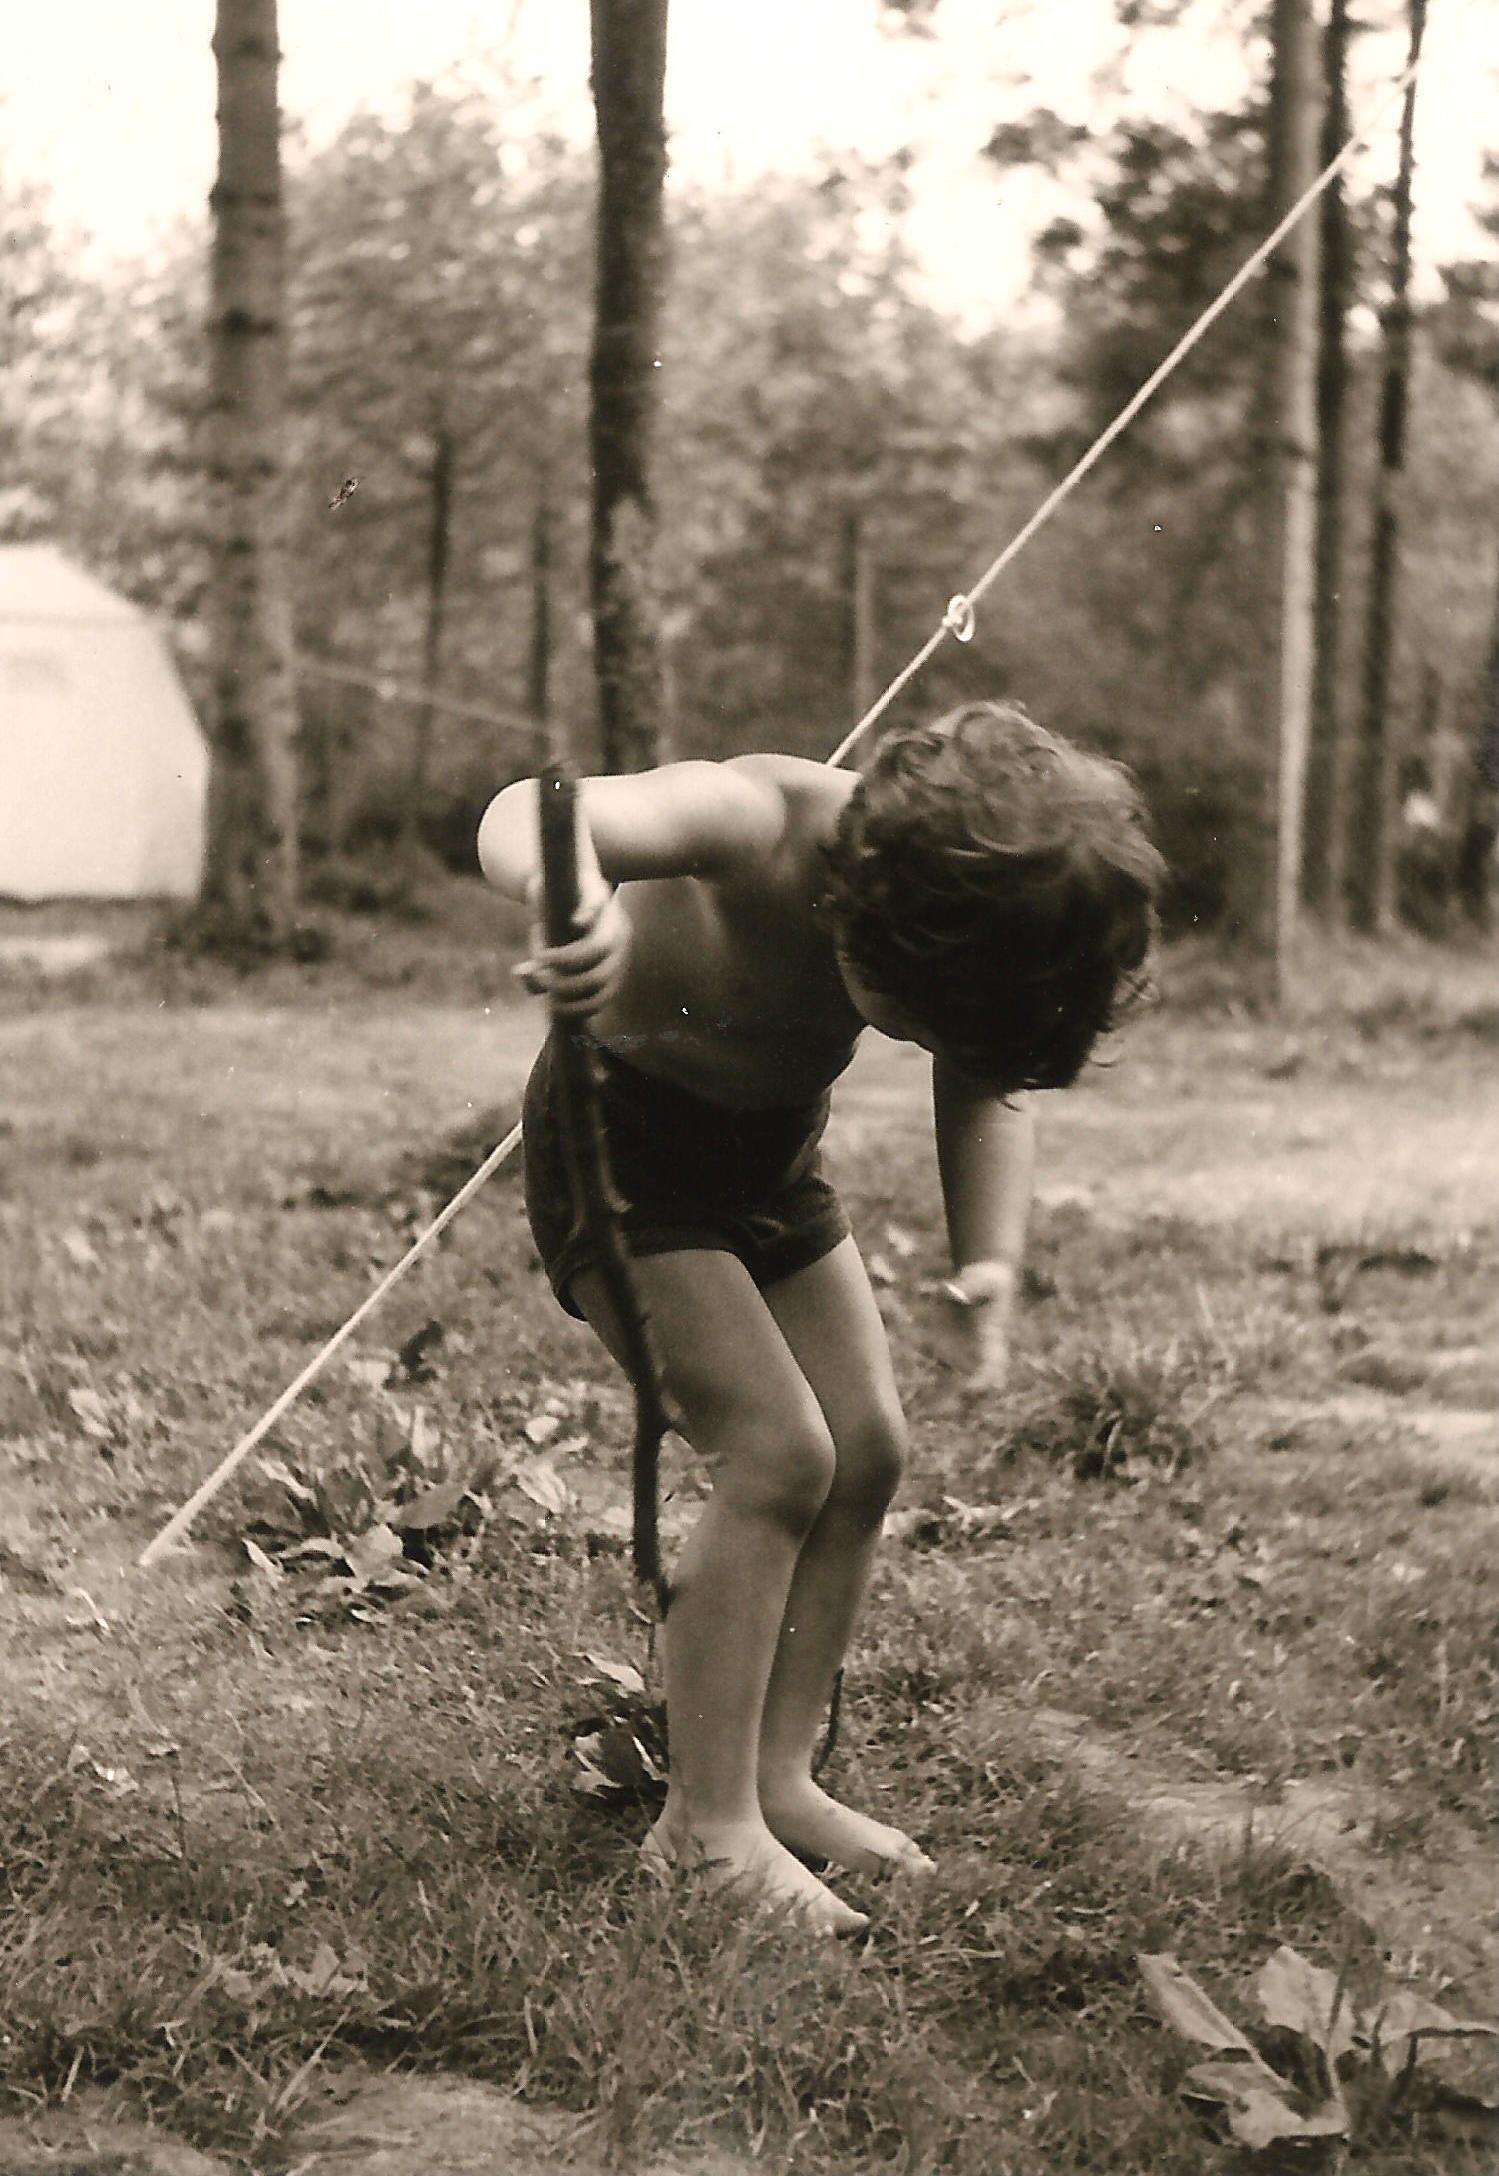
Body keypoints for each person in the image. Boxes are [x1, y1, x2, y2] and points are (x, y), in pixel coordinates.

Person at [478, 700, 1162, 1935]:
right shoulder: (756, 818)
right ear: (864, 911)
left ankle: (776, 1779)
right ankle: (703, 1828)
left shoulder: (949, 924)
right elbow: (536, 808)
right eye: (910, 1023)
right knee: (776, 1452)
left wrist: (988, 1262)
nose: (920, 1044)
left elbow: (984, 1087)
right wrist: (565, 893)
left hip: (767, 1164)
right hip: (621, 1152)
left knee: (867, 1445)